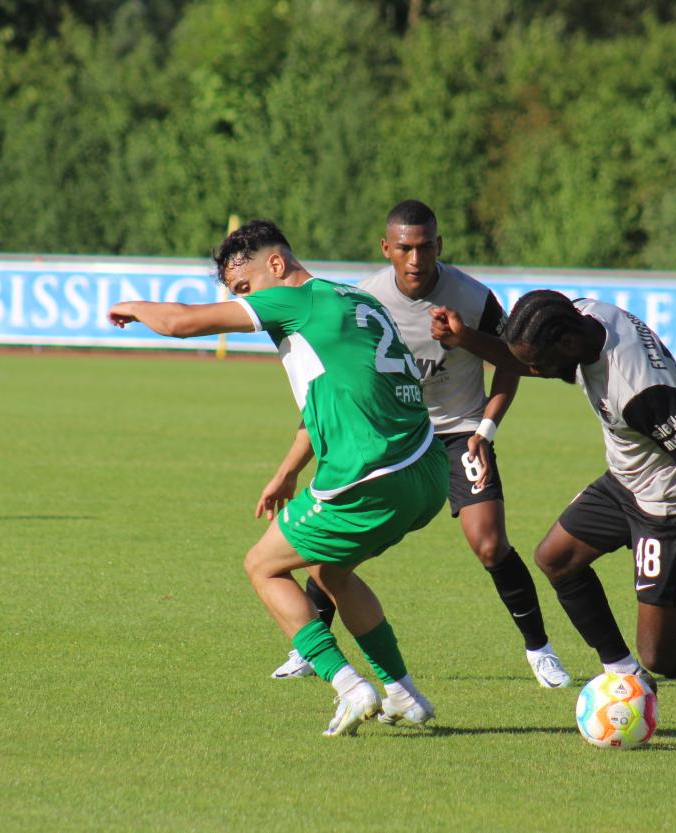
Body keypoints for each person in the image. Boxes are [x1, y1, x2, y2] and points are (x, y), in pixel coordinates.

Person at [108, 220, 448, 736]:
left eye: (244, 289)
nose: (244, 302)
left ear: (276, 264)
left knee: (262, 566)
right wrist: (289, 471)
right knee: (329, 572)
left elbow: (180, 323)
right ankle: (402, 693)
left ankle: (348, 685)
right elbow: (339, 393)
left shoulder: (296, 300)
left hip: (371, 475)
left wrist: (132, 306)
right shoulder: (357, 298)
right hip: (426, 468)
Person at [429, 289, 676, 751]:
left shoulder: (641, 392)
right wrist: (466, 339)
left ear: (565, 346)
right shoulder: (580, 316)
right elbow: (521, 354)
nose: (534, 373)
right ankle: (624, 673)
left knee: (662, 653)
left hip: (672, 504)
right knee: (556, 558)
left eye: (538, 365)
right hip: (627, 480)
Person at [270, 200, 570, 688]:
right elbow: (334, 377)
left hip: (460, 433)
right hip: (391, 437)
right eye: (405, 248)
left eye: (425, 246)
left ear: (439, 246)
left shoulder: (473, 297)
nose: (416, 258)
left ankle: (540, 649)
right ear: (386, 248)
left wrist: (485, 425)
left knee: (490, 544)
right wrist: (299, 460)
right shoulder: (360, 298)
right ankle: (309, 647)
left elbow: (513, 362)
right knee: (337, 549)